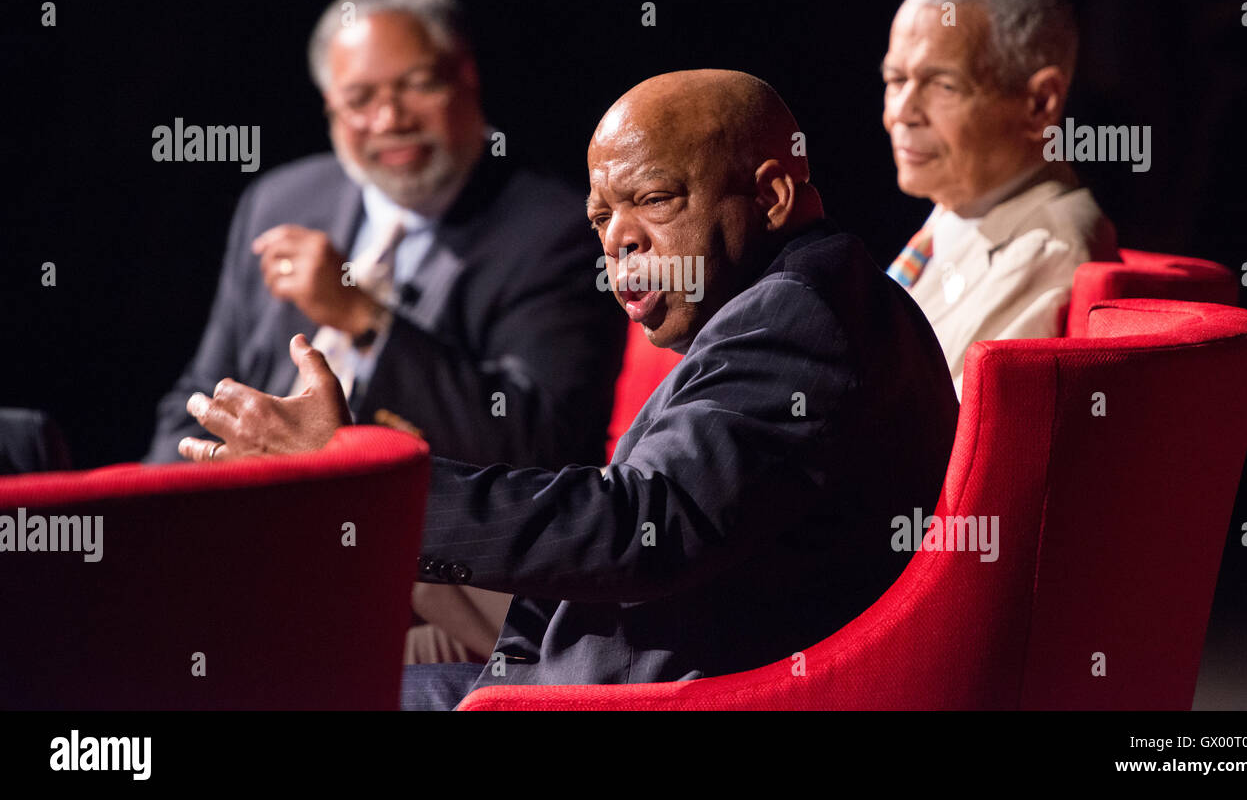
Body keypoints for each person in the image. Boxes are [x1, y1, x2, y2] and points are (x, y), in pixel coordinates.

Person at [180, 69, 960, 710]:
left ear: (771, 197)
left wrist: (358, 470)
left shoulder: (801, 313)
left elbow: (642, 524)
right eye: (600, 218)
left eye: (654, 199)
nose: (618, 238)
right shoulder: (802, 297)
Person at [147, 0, 626, 664]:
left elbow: (539, 440)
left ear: (466, 77)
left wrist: (365, 317)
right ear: (330, 108)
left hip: (413, 566)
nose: (389, 118)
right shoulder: (283, 199)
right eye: (361, 99)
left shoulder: (550, 229)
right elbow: (197, 394)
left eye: (416, 86)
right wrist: (146, 520)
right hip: (239, 531)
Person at [880, 0, 1119, 398]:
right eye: (896, 80)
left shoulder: (1046, 249)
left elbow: (926, 442)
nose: (901, 113)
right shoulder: (957, 211)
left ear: (1039, 104)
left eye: (943, 85)